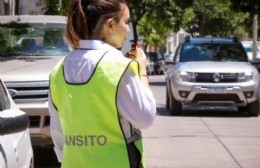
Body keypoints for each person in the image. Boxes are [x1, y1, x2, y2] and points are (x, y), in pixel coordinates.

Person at [48, 0, 156, 167]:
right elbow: (145, 118)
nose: (128, 29)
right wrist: (142, 70)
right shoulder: (118, 66)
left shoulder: (58, 70)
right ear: (110, 25)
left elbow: (58, 133)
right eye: (126, 22)